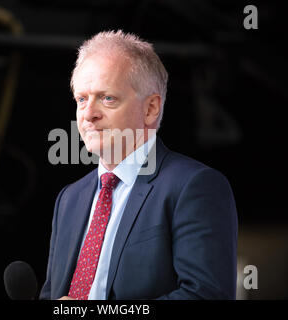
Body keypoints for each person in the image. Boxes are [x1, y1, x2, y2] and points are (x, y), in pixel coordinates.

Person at [40, 30, 238, 300]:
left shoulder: (195, 186)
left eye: (107, 98)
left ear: (151, 108)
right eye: (82, 99)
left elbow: (205, 295)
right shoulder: (68, 198)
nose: (88, 114)